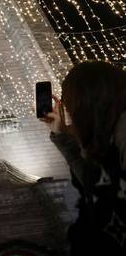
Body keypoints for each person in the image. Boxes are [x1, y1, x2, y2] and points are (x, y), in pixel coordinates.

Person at [41, 61, 126, 255]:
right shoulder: (109, 134)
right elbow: (95, 182)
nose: (72, 113)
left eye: (72, 105)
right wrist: (60, 133)